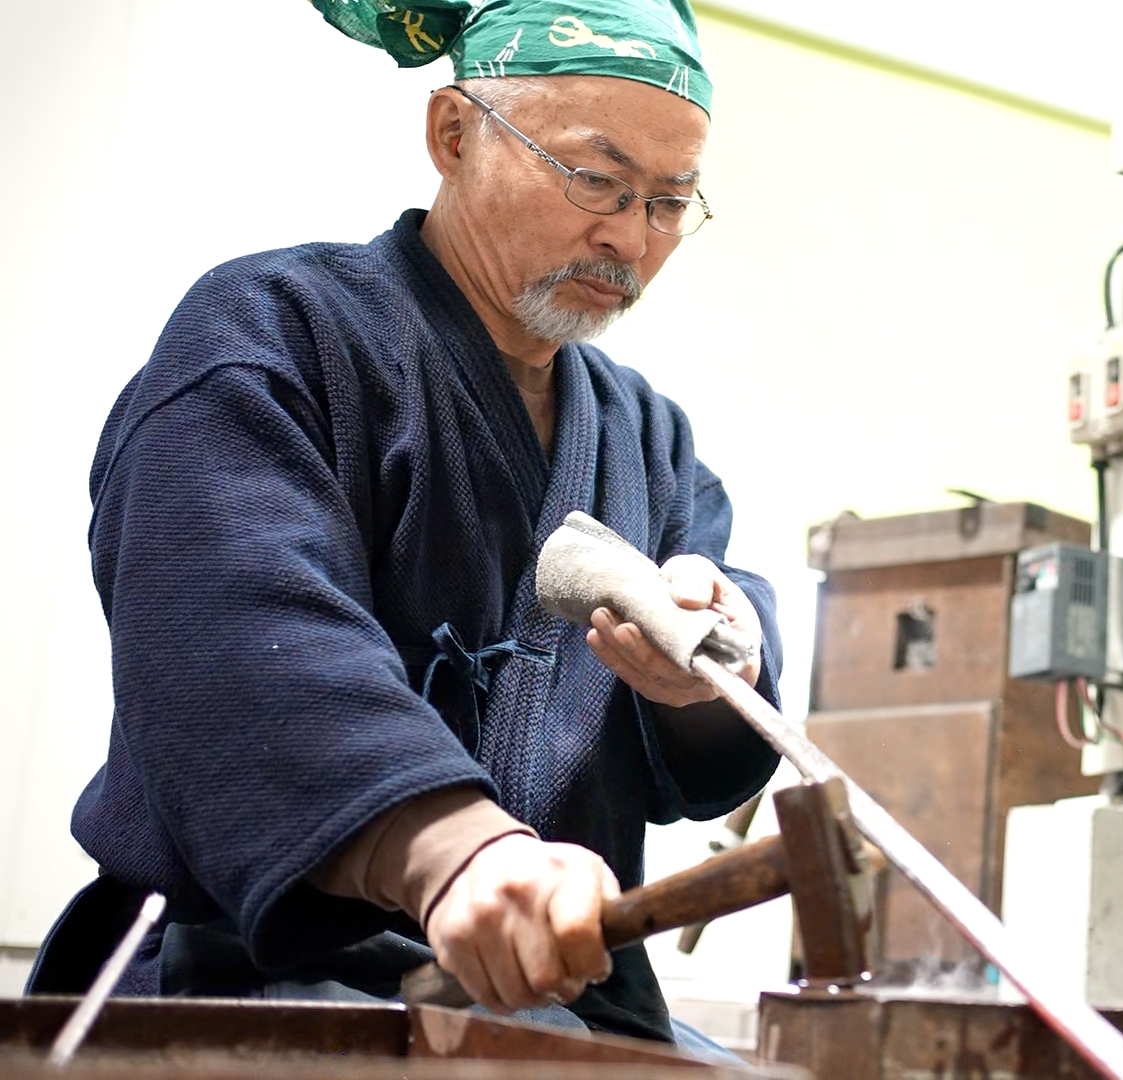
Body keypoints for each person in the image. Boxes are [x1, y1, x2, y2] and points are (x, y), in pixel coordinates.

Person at [27, 0, 780, 1052]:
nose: (629, 236)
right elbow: (236, 637)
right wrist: (455, 852)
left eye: (669, 202)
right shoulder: (274, 336)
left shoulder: (647, 438)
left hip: (565, 1006)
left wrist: (714, 669)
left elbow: (721, 688)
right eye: (594, 179)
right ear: (454, 134)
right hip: (267, 979)